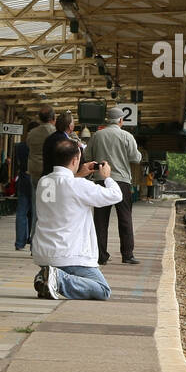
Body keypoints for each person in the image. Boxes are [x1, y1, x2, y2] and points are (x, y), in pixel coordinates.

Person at [32, 139, 121, 300]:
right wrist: (107, 177)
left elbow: (64, 187)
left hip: (43, 254)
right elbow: (115, 195)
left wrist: (78, 174)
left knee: (88, 282)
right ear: (75, 160)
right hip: (70, 255)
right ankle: (57, 279)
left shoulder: (43, 182)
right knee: (102, 290)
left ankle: (48, 276)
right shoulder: (78, 185)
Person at [86, 106, 142, 265]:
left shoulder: (97, 135)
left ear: (107, 120)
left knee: (100, 219)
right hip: (122, 181)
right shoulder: (127, 136)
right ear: (120, 120)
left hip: (101, 180)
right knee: (125, 217)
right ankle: (127, 255)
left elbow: (87, 155)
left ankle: (101, 255)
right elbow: (135, 158)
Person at [25, 105, 55, 234]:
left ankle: (33, 241)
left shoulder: (32, 133)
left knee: (36, 207)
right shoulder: (54, 133)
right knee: (48, 209)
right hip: (48, 175)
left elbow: (28, 145)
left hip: (34, 173)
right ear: (53, 118)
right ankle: (44, 240)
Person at [41, 111, 77, 178]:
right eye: (73, 123)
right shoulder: (65, 142)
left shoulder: (49, 138)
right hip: (57, 178)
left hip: (46, 175)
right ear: (70, 126)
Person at [13, 137, 31, 250]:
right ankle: (33, 244)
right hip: (35, 177)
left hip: (23, 176)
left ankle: (19, 243)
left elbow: (16, 163)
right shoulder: (39, 144)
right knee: (35, 212)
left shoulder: (20, 146)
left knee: (21, 211)